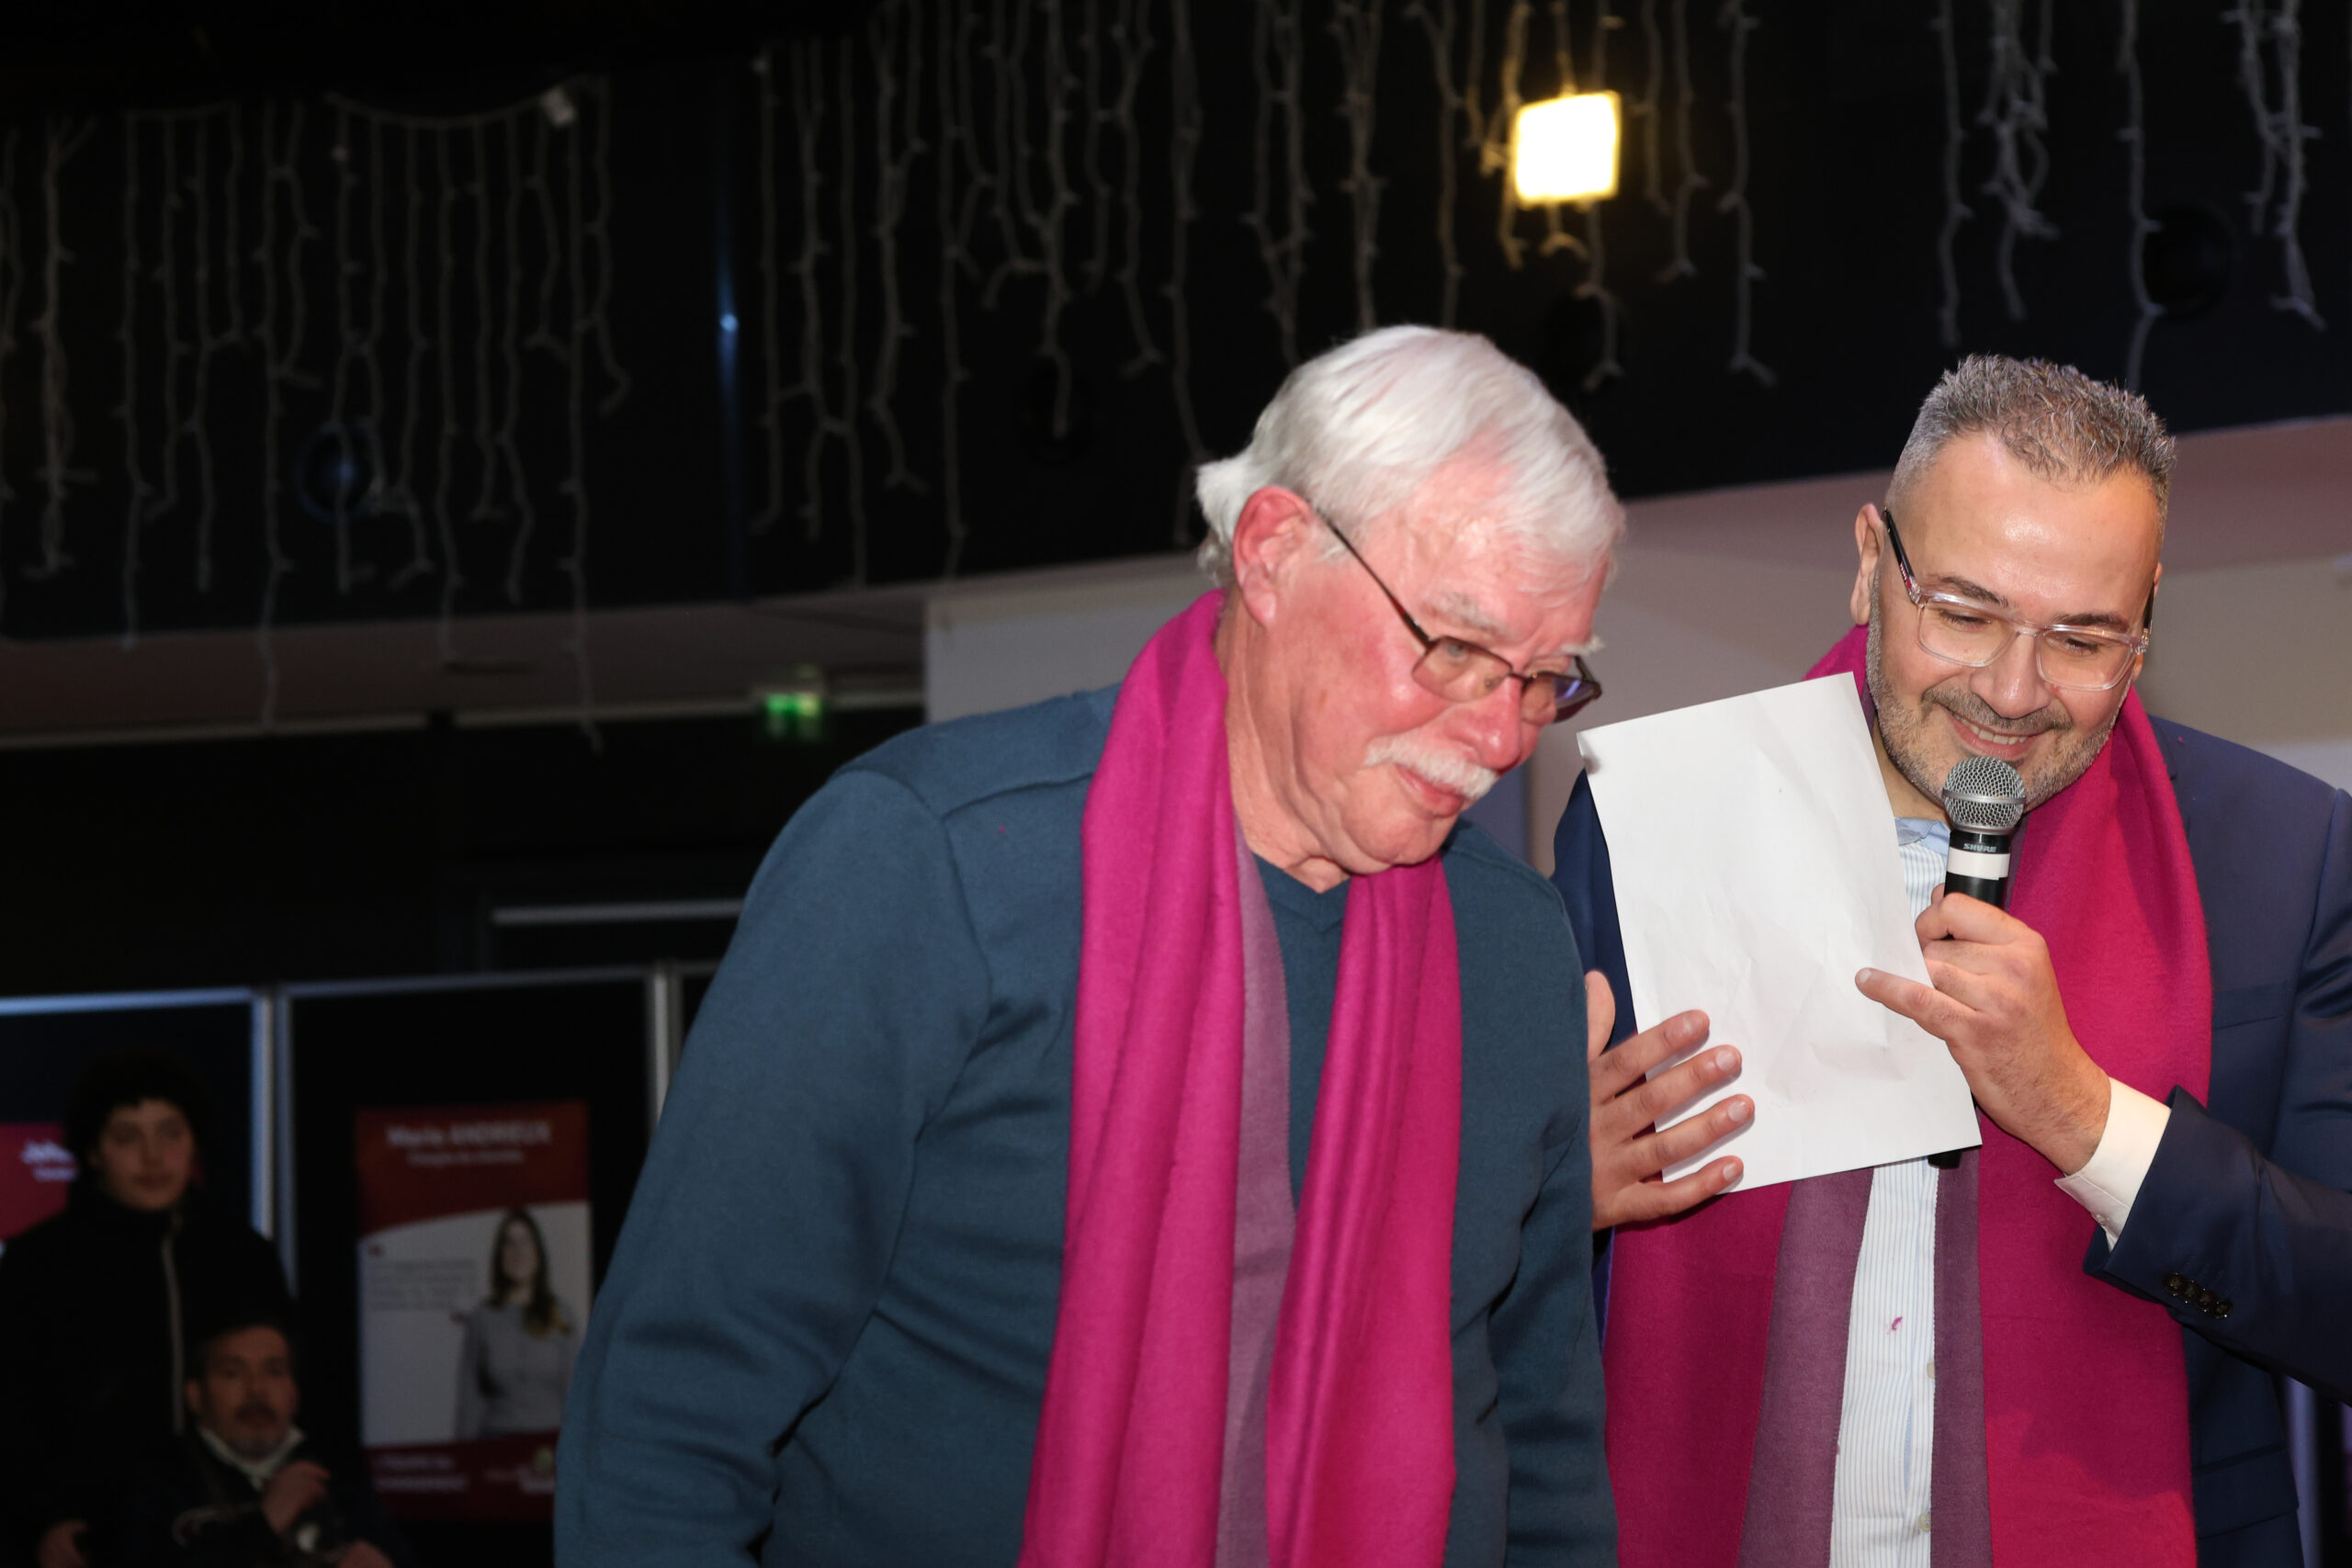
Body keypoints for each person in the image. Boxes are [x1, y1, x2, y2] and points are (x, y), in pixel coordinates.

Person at [558, 325, 1623, 1567]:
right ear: (1273, 551)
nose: (1500, 737)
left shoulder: (1511, 948)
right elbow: (668, 1426)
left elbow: (1543, 1446)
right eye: (1455, 649)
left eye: (1544, 679)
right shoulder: (931, 866)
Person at [1552, 355, 2352, 1568]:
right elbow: (1485, 1279)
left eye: (2082, 636)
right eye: (1965, 615)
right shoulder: (1648, 819)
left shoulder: (2281, 857)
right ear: (1870, 562)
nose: (2012, 693)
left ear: (2146, 621)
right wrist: (1554, 1197)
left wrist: (2082, 1115)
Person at [0, 1051, 292, 1568]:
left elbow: (298, 1386)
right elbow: (12, 1411)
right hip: (92, 1539)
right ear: (93, 1152)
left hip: (232, 1529)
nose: (153, 1158)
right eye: (128, 1137)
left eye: (170, 1134)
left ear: (195, 1142)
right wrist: (41, 1520)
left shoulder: (243, 1256)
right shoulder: (38, 1264)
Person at [104, 1313, 408, 1568]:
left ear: (294, 1394)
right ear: (195, 1396)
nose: (256, 1389)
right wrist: (263, 1525)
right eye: (232, 1373)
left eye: (274, 1371)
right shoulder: (156, 1481)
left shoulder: (336, 1474)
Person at [454, 1207, 577, 1439]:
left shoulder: (562, 1315)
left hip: (550, 1447)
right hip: (495, 1445)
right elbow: (469, 1401)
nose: (518, 1252)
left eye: (525, 1242)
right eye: (509, 1244)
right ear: (500, 1255)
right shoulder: (482, 1318)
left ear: (538, 1251)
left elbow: (575, 1393)